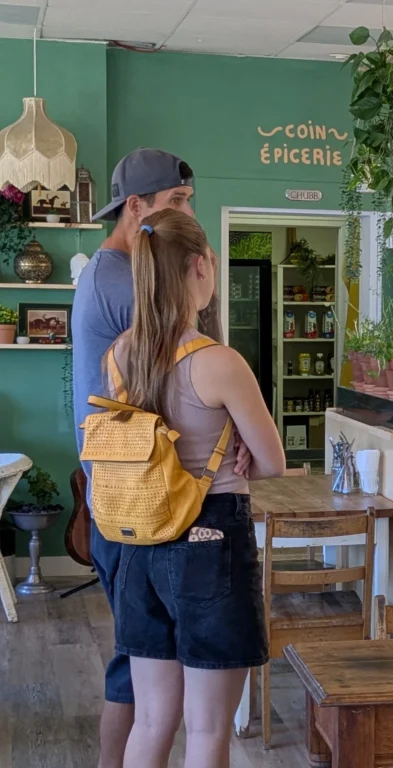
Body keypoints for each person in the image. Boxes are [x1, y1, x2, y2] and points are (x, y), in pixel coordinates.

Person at [70, 148, 250, 768]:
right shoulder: (124, 280)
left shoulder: (111, 276)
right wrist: (233, 424)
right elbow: (188, 378)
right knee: (162, 696)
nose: (183, 216)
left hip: (136, 493)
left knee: (145, 679)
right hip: (159, 498)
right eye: (174, 204)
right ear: (135, 208)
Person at [106, 209, 284, 766]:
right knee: (207, 732)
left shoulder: (121, 354)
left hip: (139, 543)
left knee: (153, 720)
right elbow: (274, 462)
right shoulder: (218, 362)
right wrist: (238, 453)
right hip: (210, 542)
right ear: (200, 266)